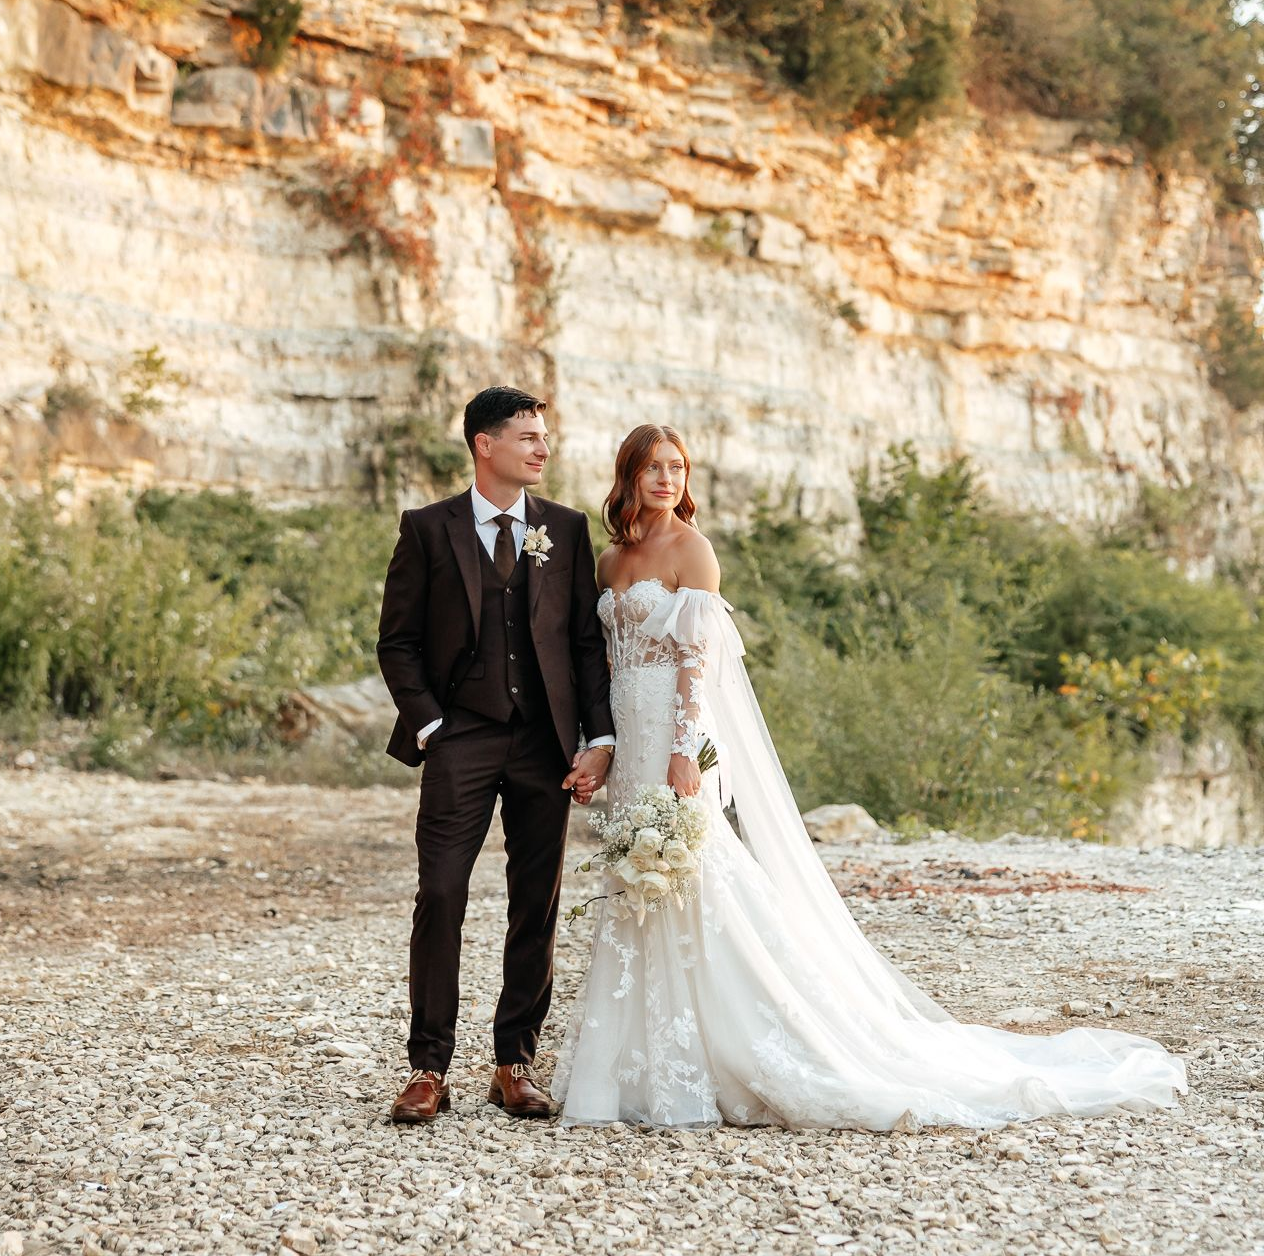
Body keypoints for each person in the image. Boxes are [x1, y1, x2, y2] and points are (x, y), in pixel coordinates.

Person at [551, 424, 1189, 1130]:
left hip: (673, 734)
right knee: (637, 882)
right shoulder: (613, 558)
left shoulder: (693, 550)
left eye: (677, 467)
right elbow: (606, 663)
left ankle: (743, 1043)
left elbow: (696, 666)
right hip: (629, 736)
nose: (667, 479)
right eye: (653, 468)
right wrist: (601, 746)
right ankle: (638, 1060)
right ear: (629, 476)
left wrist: (684, 749)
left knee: (694, 874)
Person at [376, 386, 615, 1123]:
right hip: (462, 737)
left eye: (544, 437)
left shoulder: (566, 530)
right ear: (485, 444)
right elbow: (398, 641)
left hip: (544, 742)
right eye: (527, 437)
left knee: (534, 904)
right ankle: (427, 1066)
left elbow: (584, 643)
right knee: (441, 892)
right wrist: (432, 726)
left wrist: (597, 739)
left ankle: (515, 1061)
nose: (543, 448)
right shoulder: (426, 527)